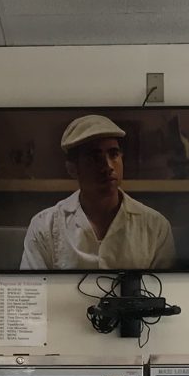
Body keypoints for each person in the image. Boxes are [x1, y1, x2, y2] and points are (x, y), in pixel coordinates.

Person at [18, 115, 175, 271]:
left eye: (113, 154)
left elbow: (168, 291)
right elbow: (34, 291)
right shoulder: (45, 226)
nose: (108, 166)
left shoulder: (155, 226)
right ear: (72, 169)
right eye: (95, 157)